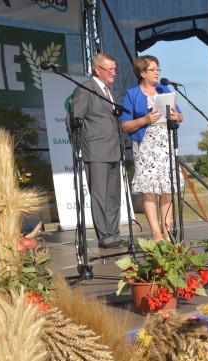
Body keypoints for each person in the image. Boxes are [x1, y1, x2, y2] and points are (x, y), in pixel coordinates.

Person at [119, 55, 184, 241]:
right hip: (145, 147)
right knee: (149, 190)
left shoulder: (164, 89)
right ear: (142, 73)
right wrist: (145, 120)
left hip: (166, 146)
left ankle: (166, 230)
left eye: (158, 69)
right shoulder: (132, 94)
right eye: (153, 70)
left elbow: (180, 116)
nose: (157, 73)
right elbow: (125, 126)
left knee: (167, 189)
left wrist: (175, 116)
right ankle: (155, 233)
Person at [68, 52, 126, 249]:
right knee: (100, 195)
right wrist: (80, 147)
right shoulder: (86, 89)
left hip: (113, 149)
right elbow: (74, 120)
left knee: (113, 196)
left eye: (115, 70)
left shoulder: (109, 90)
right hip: (96, 150)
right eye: (110, 70)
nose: (113, 74)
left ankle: (114, 233)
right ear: (97, 70)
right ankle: (105, 236)